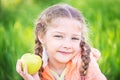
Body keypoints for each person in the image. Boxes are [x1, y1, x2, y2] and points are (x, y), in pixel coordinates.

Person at [16, 3, 107, 80]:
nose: (67, 45)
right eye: (58, 36)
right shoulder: (37, 66)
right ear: (42, 36)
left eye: (74, 38)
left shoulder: (86, 62)